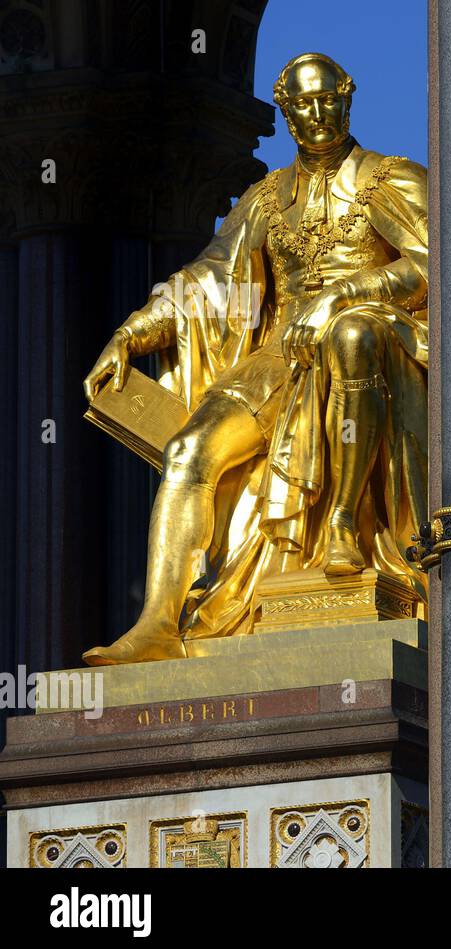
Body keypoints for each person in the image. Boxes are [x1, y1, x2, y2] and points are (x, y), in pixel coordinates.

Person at [81, 52, 429, 664]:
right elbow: (209, 283)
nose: (317, 113)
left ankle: (344, 526)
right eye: (302, 103)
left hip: (370, 344)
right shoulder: (266, 199)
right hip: (278, 360)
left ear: (348, 97)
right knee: (188, 452)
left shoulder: (390, 178)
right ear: (285, 109)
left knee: (351, 338)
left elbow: (433, 263)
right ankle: (158, 624)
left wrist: (348, 295)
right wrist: (131, 334)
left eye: (328, 99)